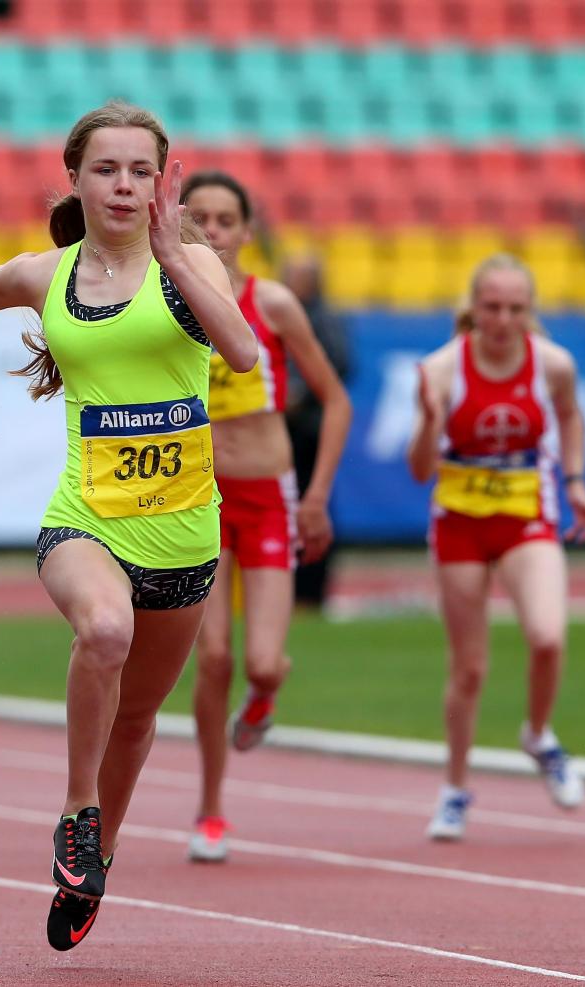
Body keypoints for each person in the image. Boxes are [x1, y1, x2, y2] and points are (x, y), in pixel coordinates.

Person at [0, 102, 257, 950]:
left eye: (139, 170)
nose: (123, 185)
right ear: (76, 179)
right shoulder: (46, 275)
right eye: (106, 169)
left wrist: (174, 256)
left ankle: (99, 857)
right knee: (103, 630)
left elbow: (239, 352)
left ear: (161, 182)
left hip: (185, 534)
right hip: (85, 519)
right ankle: (76, 811)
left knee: (136, 719)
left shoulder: (192, 261)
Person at [179, 172, 352, 863]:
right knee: (213, 656)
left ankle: (263, 698)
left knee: (264, 662)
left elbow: (335, 401)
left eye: (227, 219)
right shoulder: (165, 301)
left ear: (247, 232)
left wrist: (315, 496)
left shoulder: (272, 302)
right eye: (202, 218)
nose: (215, 231)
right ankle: (211, 807)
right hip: (197, 498)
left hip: (268, 494)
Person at [407, 253, 585, 841]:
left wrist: (575, 482)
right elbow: (420, 469)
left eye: (516, 309)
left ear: (531, 311)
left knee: (547, 635)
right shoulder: (442, 369)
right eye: (492, 307)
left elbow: (571, 419)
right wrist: (427, 422)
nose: (502, 319)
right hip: (461, 521)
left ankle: (539, 734)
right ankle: (455, 788)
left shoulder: (553, 364)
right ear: (472, 308)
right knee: (469, 669)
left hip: (525, 513)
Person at [280, 254, 353, 610]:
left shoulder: (325, 319)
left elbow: (340, 364)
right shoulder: (277, 311)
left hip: (309, 429)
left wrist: (301, 395)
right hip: (279, 429)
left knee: (312, 506)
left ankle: (311, 591)